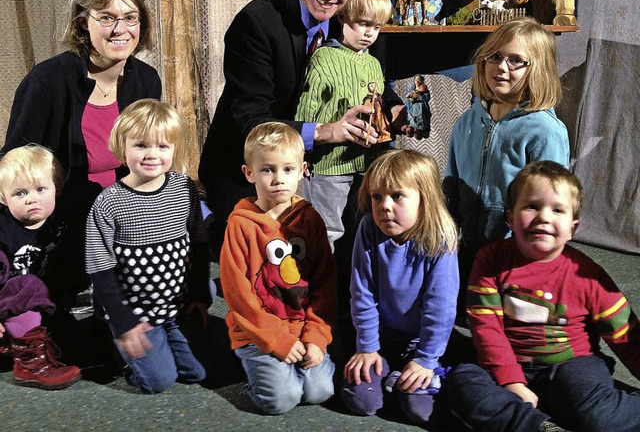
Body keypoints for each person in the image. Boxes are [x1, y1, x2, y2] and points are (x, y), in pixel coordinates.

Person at [198, 0, 404, 258]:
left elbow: (379, 85)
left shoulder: (358, 20)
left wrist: (392, 114)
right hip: (249, 163)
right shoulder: (256, 24)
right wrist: (327, 131)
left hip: (327, 167)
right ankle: (208, 224)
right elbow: (253, 121)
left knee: (352, 240)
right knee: (266, 259)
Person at [1, 0, 162, 303]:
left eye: (130, 18)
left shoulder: (146, 80)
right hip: (62, 224)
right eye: (107, 17)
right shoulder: (46, 82)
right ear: (82, 23)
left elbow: (151, 157)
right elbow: (15, 166)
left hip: (125, 217)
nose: (120, 29)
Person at [445, 161, 640, 432]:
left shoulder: (587, 275)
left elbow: (626, 336)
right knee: (462, 383)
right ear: (510, 217)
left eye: (557, 210)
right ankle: (540, 427)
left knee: (598, 415)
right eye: (532, 206)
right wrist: (511, 381)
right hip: (505, 361)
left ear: (573, 228)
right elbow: (485, 328)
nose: (544, 217)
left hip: (572, 365)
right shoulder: (489, 260)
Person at [443, 18, 570, 312]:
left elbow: (549, 205)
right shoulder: (467, 121)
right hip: (470, 246)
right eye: (495, 57)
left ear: (536, 70)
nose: (501, 67)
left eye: (516, 61)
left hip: (518, 256)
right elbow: (452, 182)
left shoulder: (544, 131)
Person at [85, 99, 211, 394]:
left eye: (162, 146)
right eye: (141, 145)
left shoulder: (184, 188)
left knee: (198, 372)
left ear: (174, 150)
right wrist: (124, 321)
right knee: (159, 382)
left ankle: (168, 335)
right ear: (122, 146)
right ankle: (118, 345)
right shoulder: (108, 203)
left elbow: (200, 242)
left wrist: (200, 294)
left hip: (174, 304)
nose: (152, 155)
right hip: (134, 311)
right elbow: (99, 269)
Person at [219, 122, 337, 415]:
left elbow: (325, 284)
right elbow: (238, 295)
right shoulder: (240, 225)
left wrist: (316, 337)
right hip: (258, 332)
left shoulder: (311, 220)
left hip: (303, 326)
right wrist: (276, 340)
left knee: (320, 391)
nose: (278, 179)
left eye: (287, 169)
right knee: (282, 400)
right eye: (267, 169)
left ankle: (286, 370)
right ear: (249, 173)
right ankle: (254, 373)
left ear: (302, 170)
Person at [340, 149, 459, 425]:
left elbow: (440, 308)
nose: (385, 206)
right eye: (376, 196)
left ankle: (419, 373)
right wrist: (367, 347)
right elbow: (362, 293)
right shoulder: (369, 228)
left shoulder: (440, 238)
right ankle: (390, 376)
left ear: (423, 198)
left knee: (420, 410)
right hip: (380, 338)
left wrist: (426, 359)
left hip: (421, 342)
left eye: (397, 196)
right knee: (363, 401)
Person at [294, 0, 394, 251]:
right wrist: (302, 156)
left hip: (365, 165)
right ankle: (320, 288)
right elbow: (306, 111)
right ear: (344, 16)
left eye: (376, 26)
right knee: (326, 232)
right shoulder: (323, 59)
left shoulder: (373, 63)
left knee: (361, 230)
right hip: (328, 166)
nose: (369, 33)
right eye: (363, 23)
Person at [0, 145, 81, 390]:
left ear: (57, 187)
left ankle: (27, 351)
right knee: (26, 286)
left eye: (40, 189)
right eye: (20, 193)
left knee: (86, 351)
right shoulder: (3, 229)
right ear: (3, 198)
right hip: (8, 310)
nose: (31, 198)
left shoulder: (64, 224)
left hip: (49, 310)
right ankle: (30, 366)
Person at [404, 74, 431, 139]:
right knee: (412, 121)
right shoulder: (412, 89)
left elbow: (426, 98)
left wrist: (419, 95)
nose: (417, 81)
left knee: (421, 119)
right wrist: (411, 98)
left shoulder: (424, 89)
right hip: (413, 108)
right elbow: (408, 98)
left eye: (419, 80)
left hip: (421, 108)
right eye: (416, 80)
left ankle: (422, 128)